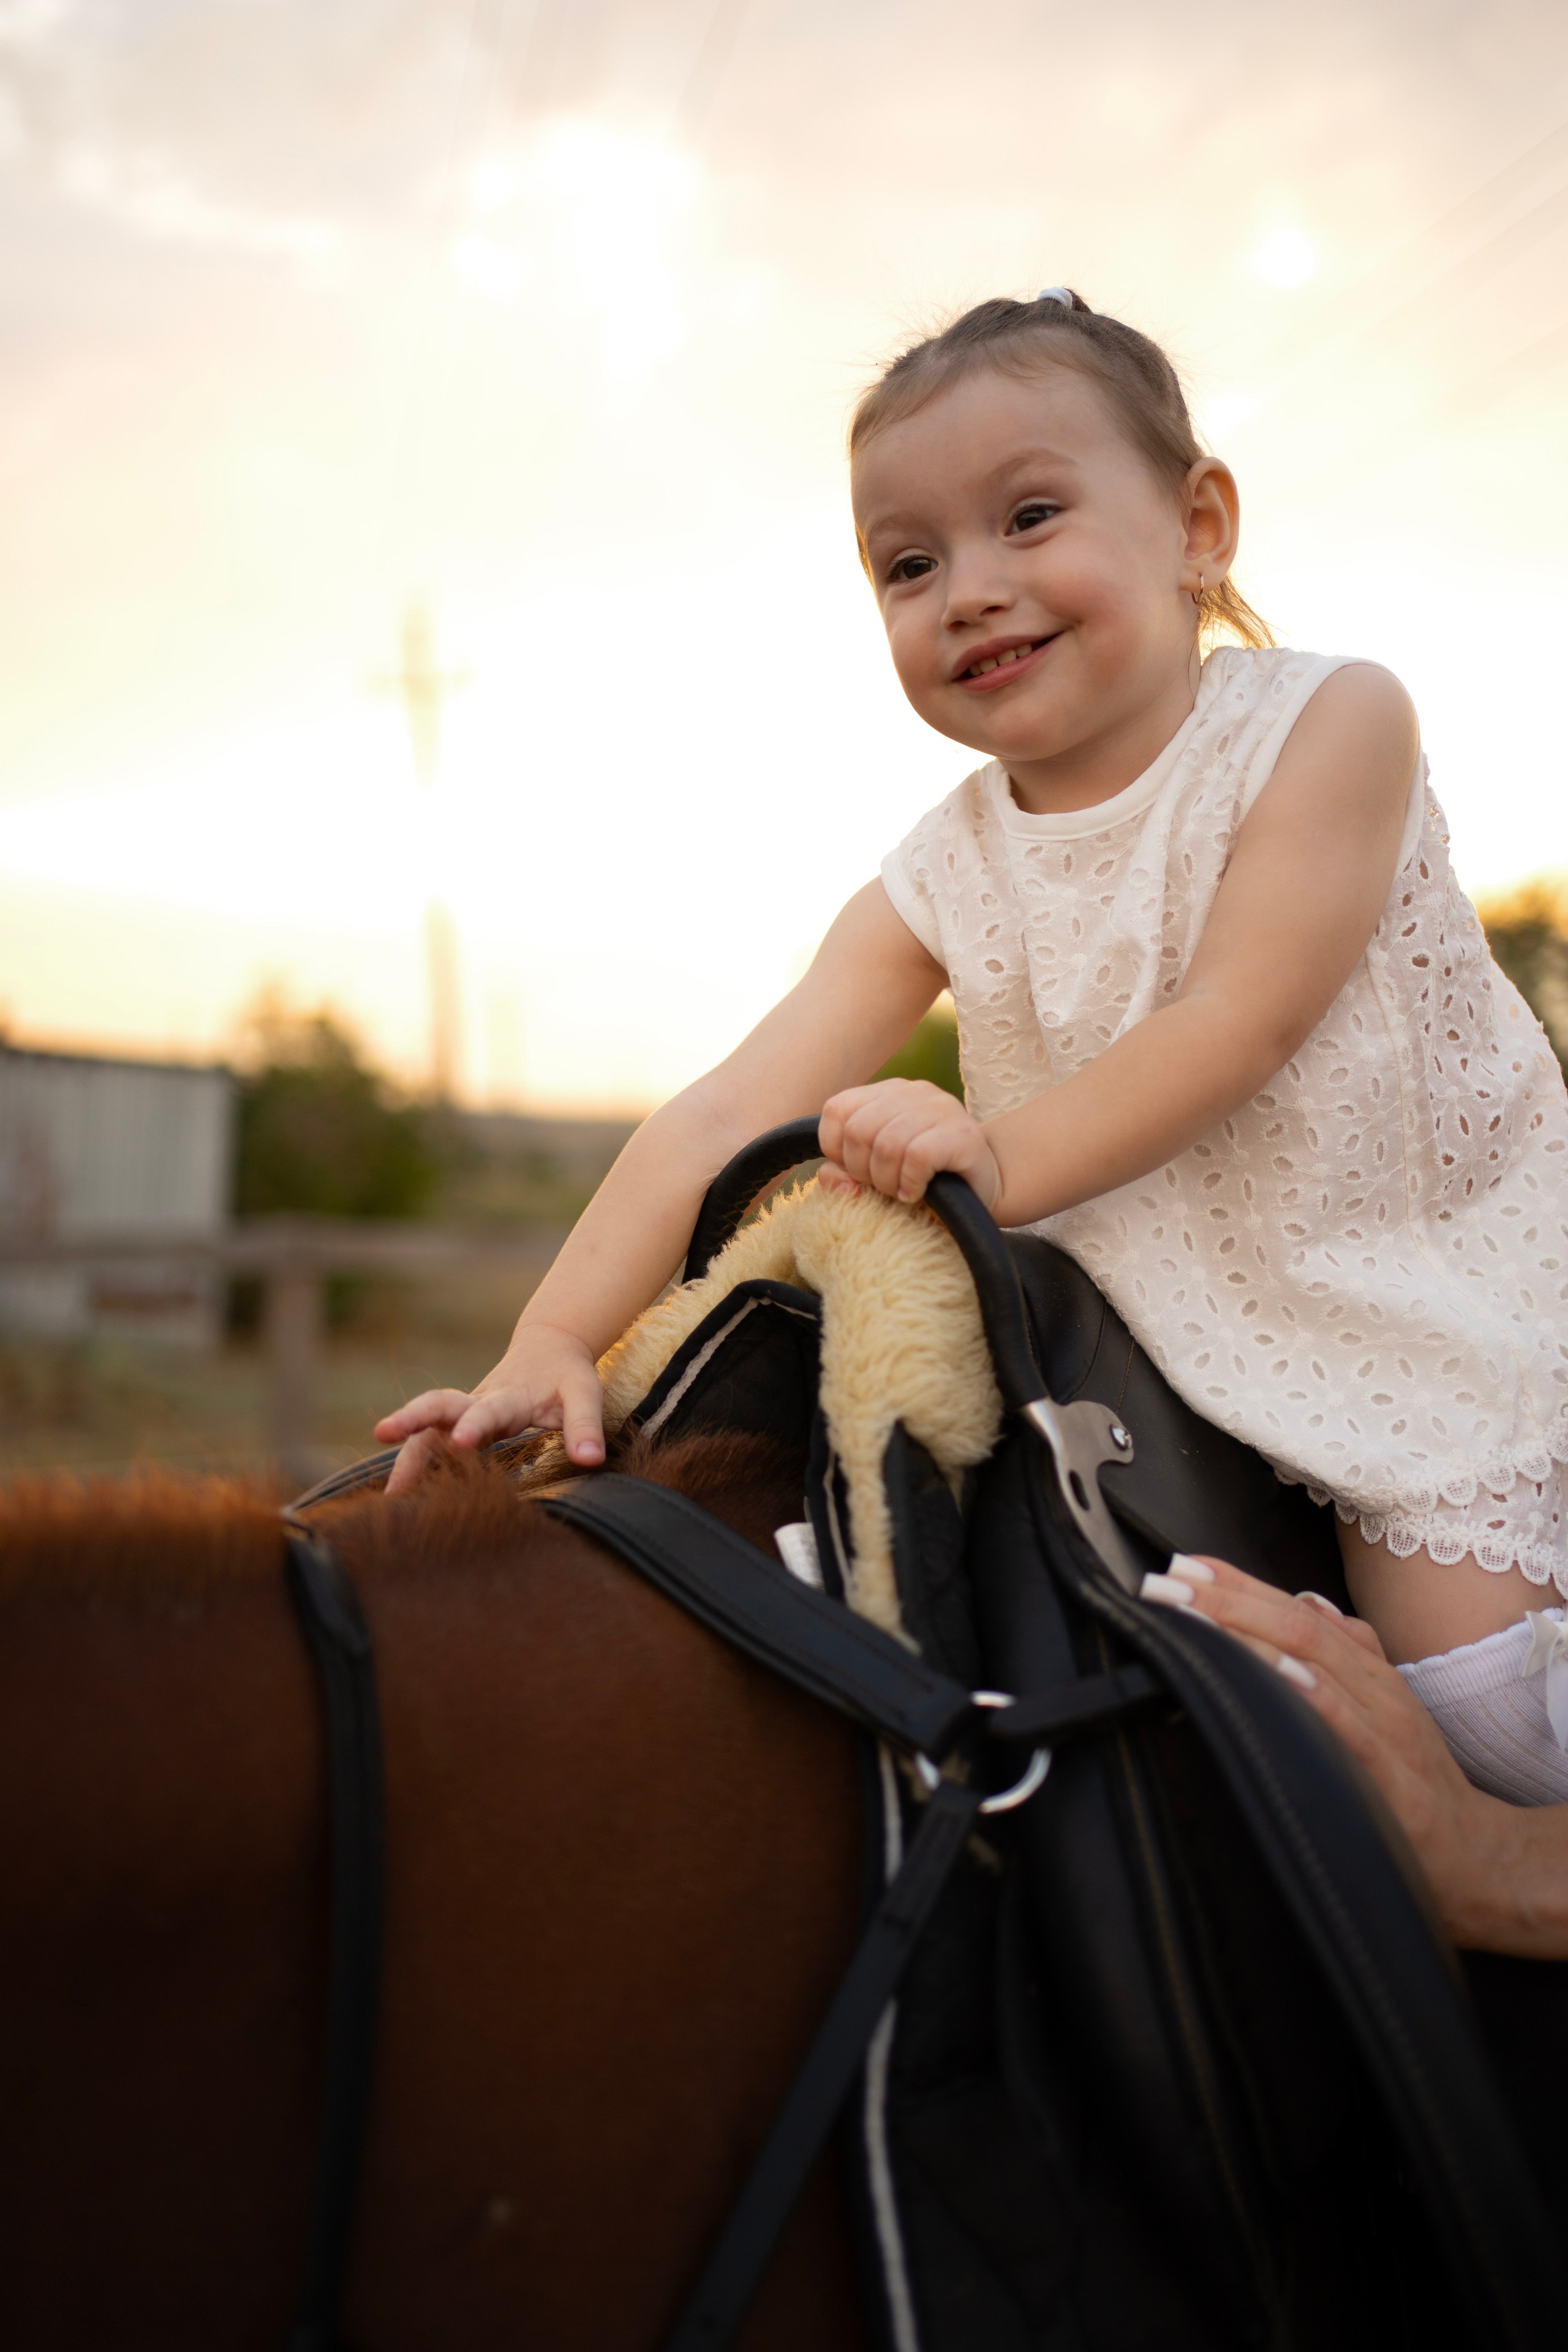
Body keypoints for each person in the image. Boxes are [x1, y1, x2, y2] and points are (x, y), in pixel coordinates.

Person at [377, 287, 1568, 1945]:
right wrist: (555, 1335)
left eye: (1029, 516)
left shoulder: (1324, 722)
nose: (972, 588)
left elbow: (1244, 1016)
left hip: (1391, 1285)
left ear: (1197, 526)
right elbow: (736, 1095)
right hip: (1153, 1322)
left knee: (1479, 1709)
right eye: (909, 563)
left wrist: (995, 1155)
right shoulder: (946, 863)